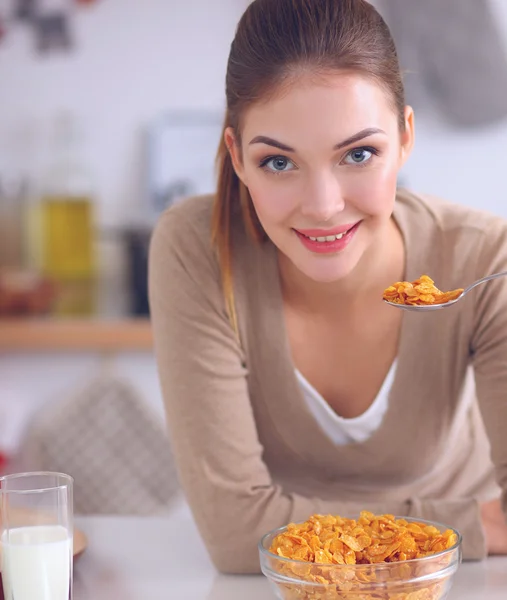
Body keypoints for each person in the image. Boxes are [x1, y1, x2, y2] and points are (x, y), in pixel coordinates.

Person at [148, 0, 507, 574]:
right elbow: (237, 536)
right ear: (237, 156)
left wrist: (286, 525)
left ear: (405, 137)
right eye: (279, 163)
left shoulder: (485, 258)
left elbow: (256, 533)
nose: (323, 207)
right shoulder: (197, 248)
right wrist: (473, 522)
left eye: (358, 154)